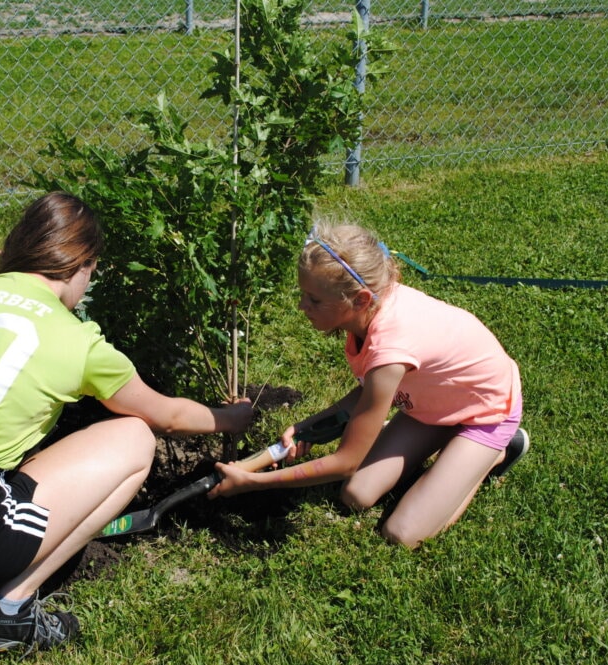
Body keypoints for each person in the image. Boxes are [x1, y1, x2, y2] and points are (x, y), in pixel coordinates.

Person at [0, 192, 252, 654]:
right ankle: (8, 612)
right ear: (81, 266)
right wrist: (231, 416)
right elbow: (170, 417)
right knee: (135, 437)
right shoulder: (77, 341)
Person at [208, 222, 528, 548]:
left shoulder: (390, 349)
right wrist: (306, 427)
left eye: (314, 300)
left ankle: (494, 453)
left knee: (403, 534)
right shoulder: (368, 311)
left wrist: (255, 481)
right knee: (356, 494)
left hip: (486, 411)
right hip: (434, 404)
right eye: (303, 294)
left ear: (360, 299)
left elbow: (346, 461)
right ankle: (453, 447)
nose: (303, 306)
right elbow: (367, 391)